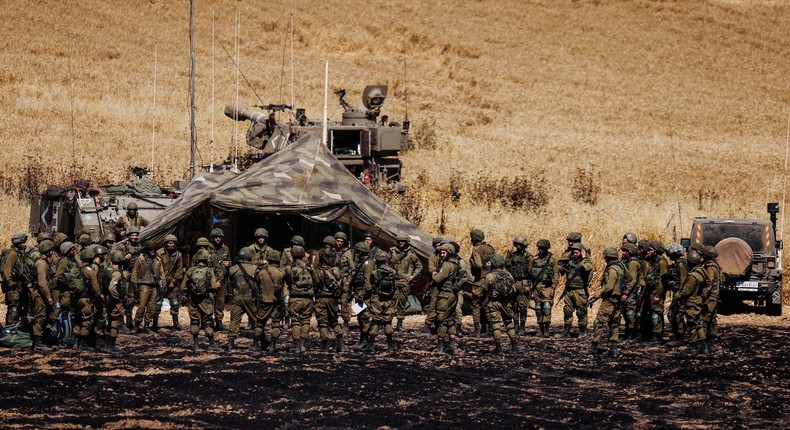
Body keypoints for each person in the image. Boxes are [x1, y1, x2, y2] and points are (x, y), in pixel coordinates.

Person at [584, 247, 624, 357]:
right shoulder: (620, 267)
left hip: (610, 299)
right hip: (617, 300)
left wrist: (599, 294)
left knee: (599, 322)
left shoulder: (612, 269)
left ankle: (594, 347)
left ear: (607, 258)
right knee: (614, 323)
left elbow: (609, 286)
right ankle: (613, 348)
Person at [181, 249, 219, 351]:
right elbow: (214, 286)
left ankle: (195, 344)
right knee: (208, 321)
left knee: (194, 321)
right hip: (206, 300)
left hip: (193, 299)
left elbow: (183, 287)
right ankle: (211, 344)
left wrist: (185, 295)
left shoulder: (191, 270)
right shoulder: (209, 271)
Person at [364, 250, 399, 353]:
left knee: (376, 320)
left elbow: (370, 284)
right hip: (389, 300)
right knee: (388, 321)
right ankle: (390, 347)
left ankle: (371, 346)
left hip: (377, 299)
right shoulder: (393, 271)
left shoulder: (375, 273)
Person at [285, 245, 318, 354]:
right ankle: (303, 344)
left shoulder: (290, 268)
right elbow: (316, 281)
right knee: (305, 321)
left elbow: (287, 281)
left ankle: (297, 345)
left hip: (295, 299)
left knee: (295, 321)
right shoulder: (310, 267)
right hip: (308, 299)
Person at [314, 237, 345, 352]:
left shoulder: (319, 255)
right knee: (334, 320)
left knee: (323, 322)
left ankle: (324, 345)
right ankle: (340, 343)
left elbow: (315, 273)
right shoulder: (337, 257)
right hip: (333, 296)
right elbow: (341, 273)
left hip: (322, 295)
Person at [226, 247, 260, 351]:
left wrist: (232, 296)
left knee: (234, 320)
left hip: (237, 298)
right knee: (257, 321)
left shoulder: (232, 269)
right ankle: (256, 343)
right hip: (250, 298)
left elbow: (229, 285)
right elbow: (258, 285)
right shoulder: (255, 269)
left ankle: (231, 342)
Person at [483, 254, 518, 354]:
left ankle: (498, 348)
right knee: (509, 323)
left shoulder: (490, 276)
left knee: (495, 325)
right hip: (507, 303)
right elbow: (514, 289)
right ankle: (514, 347)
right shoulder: (509, 275)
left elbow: (484, 289)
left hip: (494, 303)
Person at [431, 243, 461, 355]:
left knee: (441, 320)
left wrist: (434, 273)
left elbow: (438, 279)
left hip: (445, 295)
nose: (441, 255)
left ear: (449, 253)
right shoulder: (456, 263)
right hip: (453, 295)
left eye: (444, 253)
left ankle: (440, 347)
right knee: (451, 320)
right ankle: (453, 346)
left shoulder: (447, 265)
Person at [254, 250, 287, 353]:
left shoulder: (262, 272)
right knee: (276, 324)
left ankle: (254, 346)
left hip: (264, 301)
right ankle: (272, 346)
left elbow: (256, 282)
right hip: (277, 302)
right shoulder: (282, 273)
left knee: (260, 324)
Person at [559, 242, 593, 338]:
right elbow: (561, 263)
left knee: (581, 312)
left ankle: (582, 331)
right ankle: (566, 331)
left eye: (577, 253)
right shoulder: (571, 261)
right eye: (573, 252)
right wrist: (568, 254)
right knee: (567, 311)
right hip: (569, 290)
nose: (575, 254)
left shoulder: (586, 262)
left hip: (580, 290)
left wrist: (584, 257)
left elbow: (588, 268)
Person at [390, 232, 422, 333]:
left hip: (405, 281)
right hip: (394, 280)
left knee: (402, 302)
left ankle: (399, 324)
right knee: (391, 303)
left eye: (403, 241)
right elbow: (386, 263)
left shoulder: (411, 254)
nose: (401, 243)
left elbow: (419, 266)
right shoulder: (392, 251)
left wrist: (413, 276)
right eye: (399, 241)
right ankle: (387, 323)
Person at [73, 248, 103, 350]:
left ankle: (75, 343)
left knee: (77, 320)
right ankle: (83, 344)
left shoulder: (76, 268)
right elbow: (95, 287)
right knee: (86, 320)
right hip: (86, 298)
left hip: (76, 298)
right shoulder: (90, 271)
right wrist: (100, 295)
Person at [130, 241, 162, 334]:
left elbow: (161, 272)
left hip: (154, 285)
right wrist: (134, 285)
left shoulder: (157, 259)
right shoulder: (141, 259)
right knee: (141, 306)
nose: (152, 251)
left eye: (154, 249)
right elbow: (135, 271)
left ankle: (147, 325)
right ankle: (136, 325)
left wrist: (162, 283)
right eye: (150, 249)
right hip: (143, 284)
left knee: (151, 307)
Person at [30, 240, 55, 352]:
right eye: (51, 250)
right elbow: (42, 282)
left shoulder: (41, 261)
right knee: (40, 317)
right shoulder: (41, 263)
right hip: (40, 294)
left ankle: (40, 342)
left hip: (40, 293)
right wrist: (48, 296)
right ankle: (38, 344)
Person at [469, 229, 495, 338]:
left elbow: (478, 265)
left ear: (474, 239)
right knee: (487, 305)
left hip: (479, 281)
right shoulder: (490, 248)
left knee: (476, 305)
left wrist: (472, 262)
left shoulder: (476, 249)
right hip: (490, 279)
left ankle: (477, 330)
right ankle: (491, 329)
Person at [155, 235, 185, 330]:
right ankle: (154, 324)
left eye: (172, 243)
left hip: (172, 281)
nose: (171, 245)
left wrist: (174, 280)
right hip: (160, 281)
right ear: (165, 244)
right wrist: (161, 280)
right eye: (169, 243)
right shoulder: (159, 253)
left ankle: (175, 324)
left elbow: (179, 269)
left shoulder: (178, 255)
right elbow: (156, 267)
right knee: (157, 303)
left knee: (175, 304)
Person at [505, 236, 533, 336]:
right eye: (517, 244)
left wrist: (529, 286)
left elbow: (531, 272)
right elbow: (507, 267)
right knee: (514, 305)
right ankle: (516, 325)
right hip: (513, 282)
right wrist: (508, 256)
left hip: (523, 282)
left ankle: (522, 327)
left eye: (520, 244)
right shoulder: (512, 255)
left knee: (522, 306)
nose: (518, 246)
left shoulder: (529, 257)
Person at [642, 241, 669, 345]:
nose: (648, 251)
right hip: (652, 291)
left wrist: (658, 294)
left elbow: (663, 280)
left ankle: (657, 337)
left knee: (656, 314)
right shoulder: (654, 261)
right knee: (653, 312)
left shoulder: (662, 262)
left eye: (651, 250)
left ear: (656, 251)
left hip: (657, 292)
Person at [349, 242, 374, 350]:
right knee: (360, 317)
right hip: (359, 293)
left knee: (364, 318)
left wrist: (362, 295)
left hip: (364, 295)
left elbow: (368, 283)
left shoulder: (367, 264)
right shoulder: (362, 262)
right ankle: (362, 340)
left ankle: (365, 341)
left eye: (357, 252)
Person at [531, 239, 557, 337]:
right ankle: (540, 328)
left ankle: (546, 329)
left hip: (547, 286)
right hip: (536, 286)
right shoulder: (535, 259)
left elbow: (555, 275)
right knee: (538, 308)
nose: (540, 250)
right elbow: (529, 271)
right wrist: (532, 260)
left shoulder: (552, 259)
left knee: (546, 306)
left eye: (543, 248)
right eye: (539, 248)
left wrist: (553, 288)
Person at [2, 232, 30, 325]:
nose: (25, 244)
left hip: (18, 287)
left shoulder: (19, 254)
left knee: (18, 309)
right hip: (13, 289)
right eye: (23, 243)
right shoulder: (13, 254)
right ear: (18, 244)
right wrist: (11, 284)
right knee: (13, 311)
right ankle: (9, 333)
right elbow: (7, 271)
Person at [665, 243, 689, 347]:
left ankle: (680, 337)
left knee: (677, 315)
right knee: (672, 314)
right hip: (677, 292)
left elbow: (683, 280)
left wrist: (680, 294)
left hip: (680, 294)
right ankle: (678, 336)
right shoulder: (676, 264)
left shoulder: (681, 264)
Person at [619, 242, 642, 342]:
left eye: (624, 251)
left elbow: (632, 280)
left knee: (630, 313)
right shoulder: (627, 261)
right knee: (626, 313)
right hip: (629, 291)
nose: (622, 253)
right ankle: (628, 334)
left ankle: (633, 335)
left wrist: (626, 293)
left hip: (633, 292)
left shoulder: (633, 263)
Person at [209, 228, 232, 331]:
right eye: (216, 237)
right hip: (210, 278)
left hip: (222, 278)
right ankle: (208, 321)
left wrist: (229, 263)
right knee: (209, 299)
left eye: (219, 237)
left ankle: (219, 322)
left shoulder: (225, 248)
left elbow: (230, 259)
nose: (218, 239)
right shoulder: (208, 248)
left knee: (220, 300)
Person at [423, 237, 445, 333]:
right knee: (433, 305)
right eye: (436, 246)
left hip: (445, 284)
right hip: (435, 283)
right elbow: (431, 269)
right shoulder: (433, 256)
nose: (438, 247)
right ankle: (428, 324)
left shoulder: (447, 255)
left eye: (439, 245)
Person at [335, 231, 354, 333]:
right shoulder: (331, 252)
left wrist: (349, 280)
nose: (339, 243)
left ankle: (346, 322)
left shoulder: (347, 253)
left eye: (341, 241)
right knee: (332, 302)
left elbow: (352, 268)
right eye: (337, 241)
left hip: (345, 280)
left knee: (344, 301)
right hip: (333, 280)